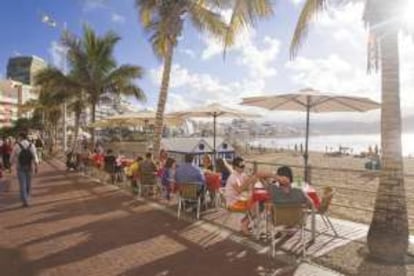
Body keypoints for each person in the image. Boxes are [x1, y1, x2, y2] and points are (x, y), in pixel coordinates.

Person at [224, 157, 261, 235]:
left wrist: (252, 180)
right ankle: (245, 224)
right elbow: (239, 190)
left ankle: (245, 222)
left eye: (243, 166)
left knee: (259, 204)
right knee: (256, 206)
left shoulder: (242, 174)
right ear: (235, 167)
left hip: (240, 199)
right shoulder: (233, 177)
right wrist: (250, 181)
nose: (243, 168)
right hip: (233, 203)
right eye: (241, 166)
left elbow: (249, 186)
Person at [10, 132, 39, 207]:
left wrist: (11, 164)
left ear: (21, 137)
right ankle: (27, 197)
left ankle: (25, 200)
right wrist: (36, 166)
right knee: (28, 183)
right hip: (29, 166)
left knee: (22, 184)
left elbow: (12, 157)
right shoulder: (31, 145)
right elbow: (35, 156)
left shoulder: (17, 145)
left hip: (20, 167)